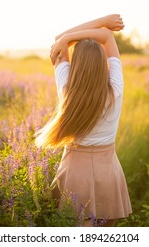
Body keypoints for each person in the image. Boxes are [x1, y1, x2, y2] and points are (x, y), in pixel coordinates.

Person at [35, 14, 132, 227]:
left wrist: (64, 39)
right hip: (108, 172)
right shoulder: (115, 90)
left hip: (75, 173)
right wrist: (105, 21)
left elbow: (61, 39)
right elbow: (107, 37)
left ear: (76, 65)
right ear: (102, 64)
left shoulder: (67, 91)